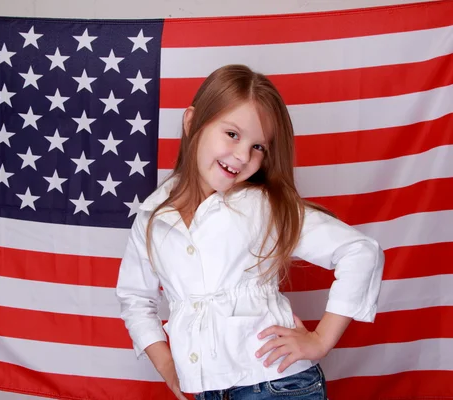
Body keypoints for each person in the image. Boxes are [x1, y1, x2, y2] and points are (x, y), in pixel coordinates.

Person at [115, 64, 385, 400]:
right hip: (204, 390)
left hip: (276, 386)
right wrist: (168, 366)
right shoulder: (151, 217)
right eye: (232, 134)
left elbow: (360, 251)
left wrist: (320, 340)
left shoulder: (262, 206)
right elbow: (135, 299)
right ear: (191, 123)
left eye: (259, 147)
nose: (243, 155)